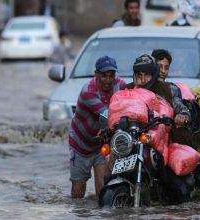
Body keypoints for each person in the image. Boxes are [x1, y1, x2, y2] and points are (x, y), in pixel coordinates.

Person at [124, 54, 193, 203]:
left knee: (176, 189)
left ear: (153, 75)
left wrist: (182, 116)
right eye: (139, 75)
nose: (142, 80)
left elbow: (181, 108)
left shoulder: (167, 90)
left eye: (147, 75)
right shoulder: (127, 89)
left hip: (161, 142)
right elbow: (115, 110)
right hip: (133, 141)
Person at [69, 56, 126, 198]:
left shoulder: (120, 85)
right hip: (80, 144)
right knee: (78, 192)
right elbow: (108, 114)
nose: (108, 80)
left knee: (103, 189)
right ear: (96, 74)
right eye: (104, 76)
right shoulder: (88, 91)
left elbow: (133, 95)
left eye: (111, 76)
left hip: (100, 145)